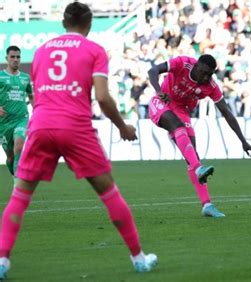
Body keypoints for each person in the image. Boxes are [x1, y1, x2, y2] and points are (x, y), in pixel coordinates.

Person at [0, 2, 157, 279]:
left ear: (63, 22)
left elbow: (40, 95)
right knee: (109, 193)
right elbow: (103, 97)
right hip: (75, 127)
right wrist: (122, 126)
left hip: (41, 125)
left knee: (20, 196)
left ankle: (2, 260)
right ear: (88, 24)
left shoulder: (41, 51)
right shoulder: (94, 50)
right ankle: (139, 258)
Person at [148, 54, 251, 218]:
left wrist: (243, 141)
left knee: (193, 157)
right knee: (179, 130)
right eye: (204, 73)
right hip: (162, 100)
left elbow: (226, 113)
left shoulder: (211, 86)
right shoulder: (182, 63)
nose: (206, 77)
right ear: (196, 66)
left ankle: (207, 205)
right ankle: (199, 169)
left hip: (181, 110)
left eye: (210, 74)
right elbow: (153, 70)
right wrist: (158, 90)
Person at [0, 46, 33, 176]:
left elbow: (31, 96)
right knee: (10, 157)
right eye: (12, 57)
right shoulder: (1, 76)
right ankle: (15, 175)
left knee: (19, 146)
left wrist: (38, 112)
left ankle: (18, 183)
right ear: (6, 59)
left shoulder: (25, 77)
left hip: (22, 118)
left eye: (18, 57)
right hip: (4, 122)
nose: (15, 59)